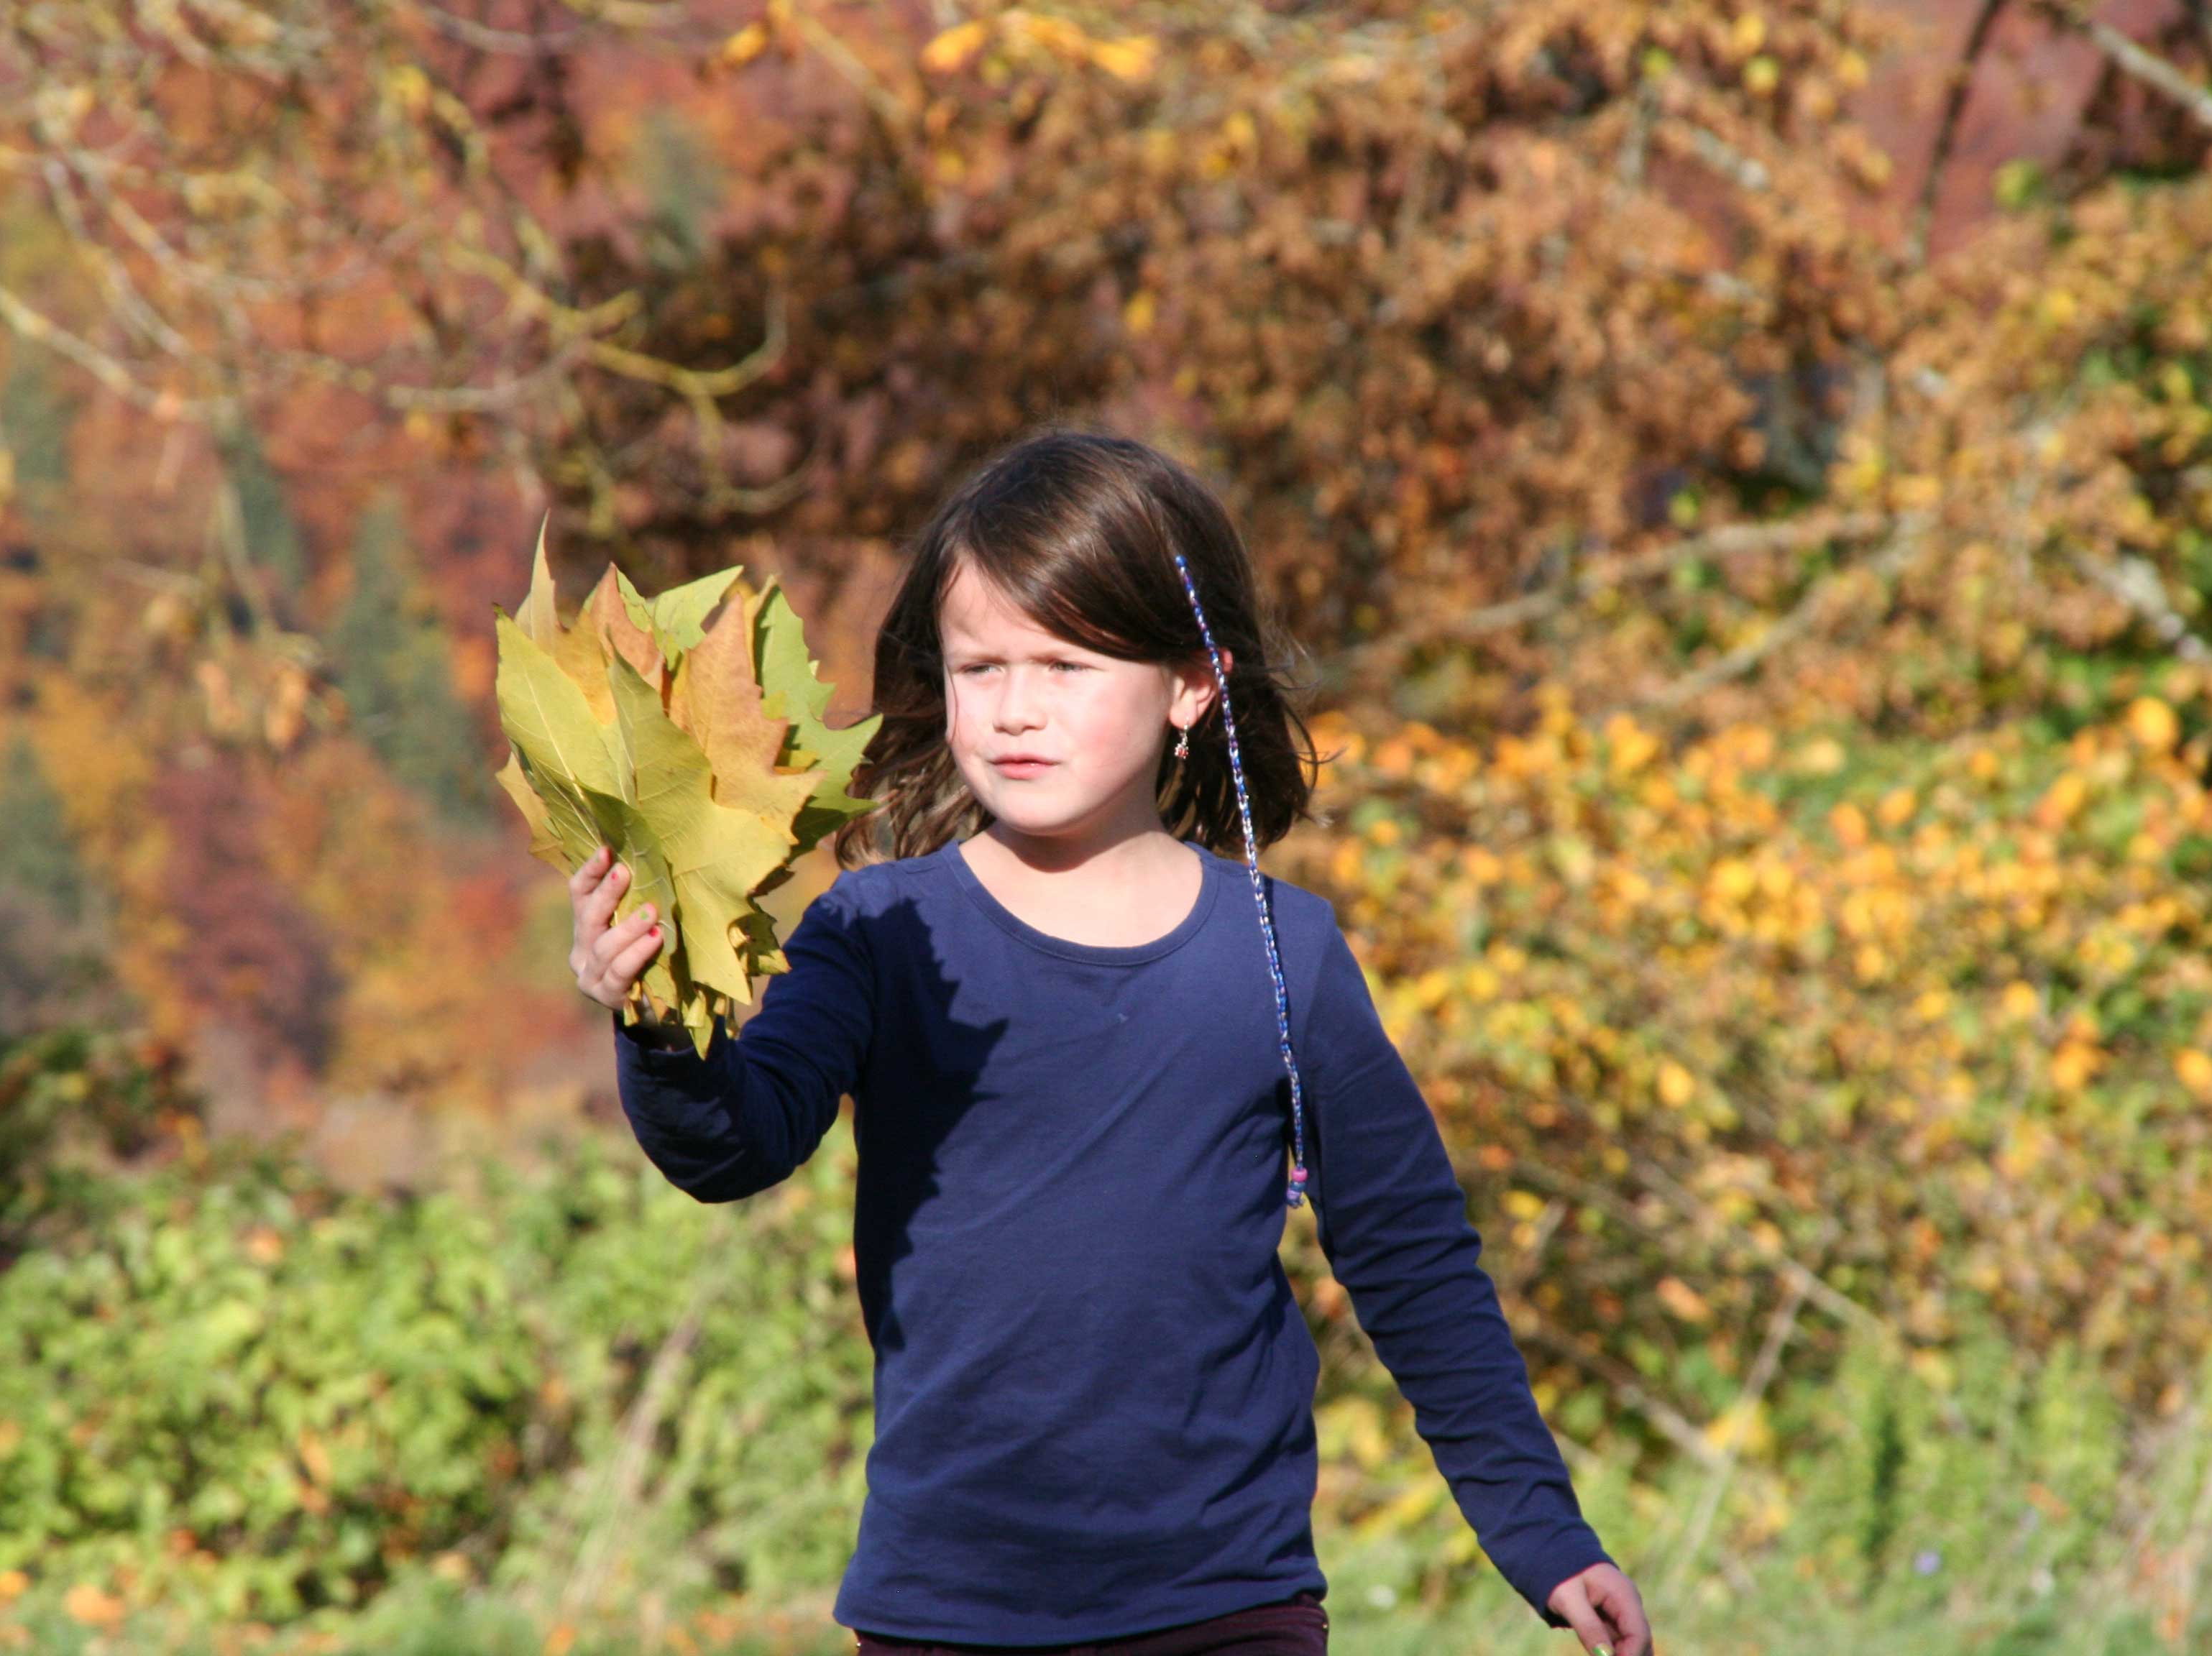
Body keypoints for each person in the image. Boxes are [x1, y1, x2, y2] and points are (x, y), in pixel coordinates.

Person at [566, 428, 1653, 1656]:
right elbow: (735, 1144)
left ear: (1191, 684)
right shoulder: (880, 933)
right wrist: (657, 1021)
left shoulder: (1280, 957)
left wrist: (1547, 1538)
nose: (1016, 711)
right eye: (982, 668)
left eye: (1068, 665)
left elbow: (1414, 1269)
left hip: (1229, 1611)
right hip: (945, 1615)